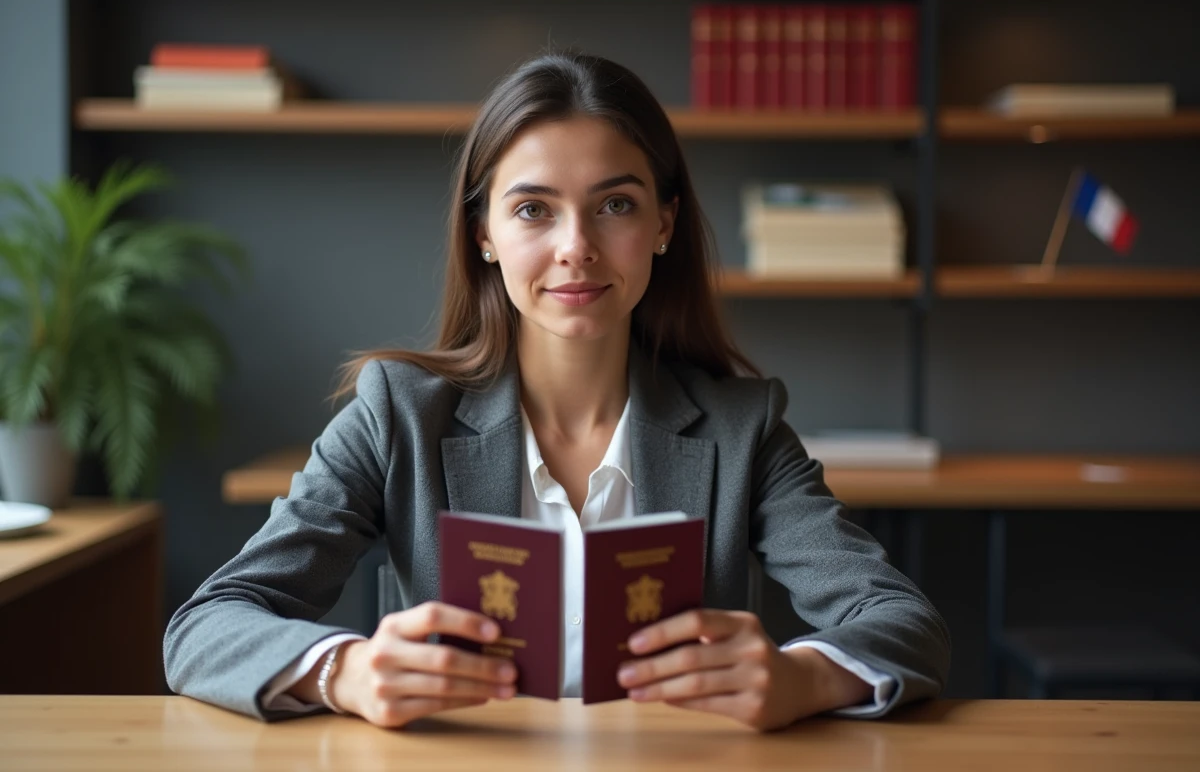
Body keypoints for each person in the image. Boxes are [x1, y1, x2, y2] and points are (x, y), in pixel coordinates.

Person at [164, 51, 950, 733]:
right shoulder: (397, 413)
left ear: (664, 223)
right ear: (484, 234)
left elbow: (902, 620)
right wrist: (348, 672)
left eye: (616, 205)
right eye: (533, 209)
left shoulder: (743, 428)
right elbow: (205, 627)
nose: (576, 247)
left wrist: (801, 678)